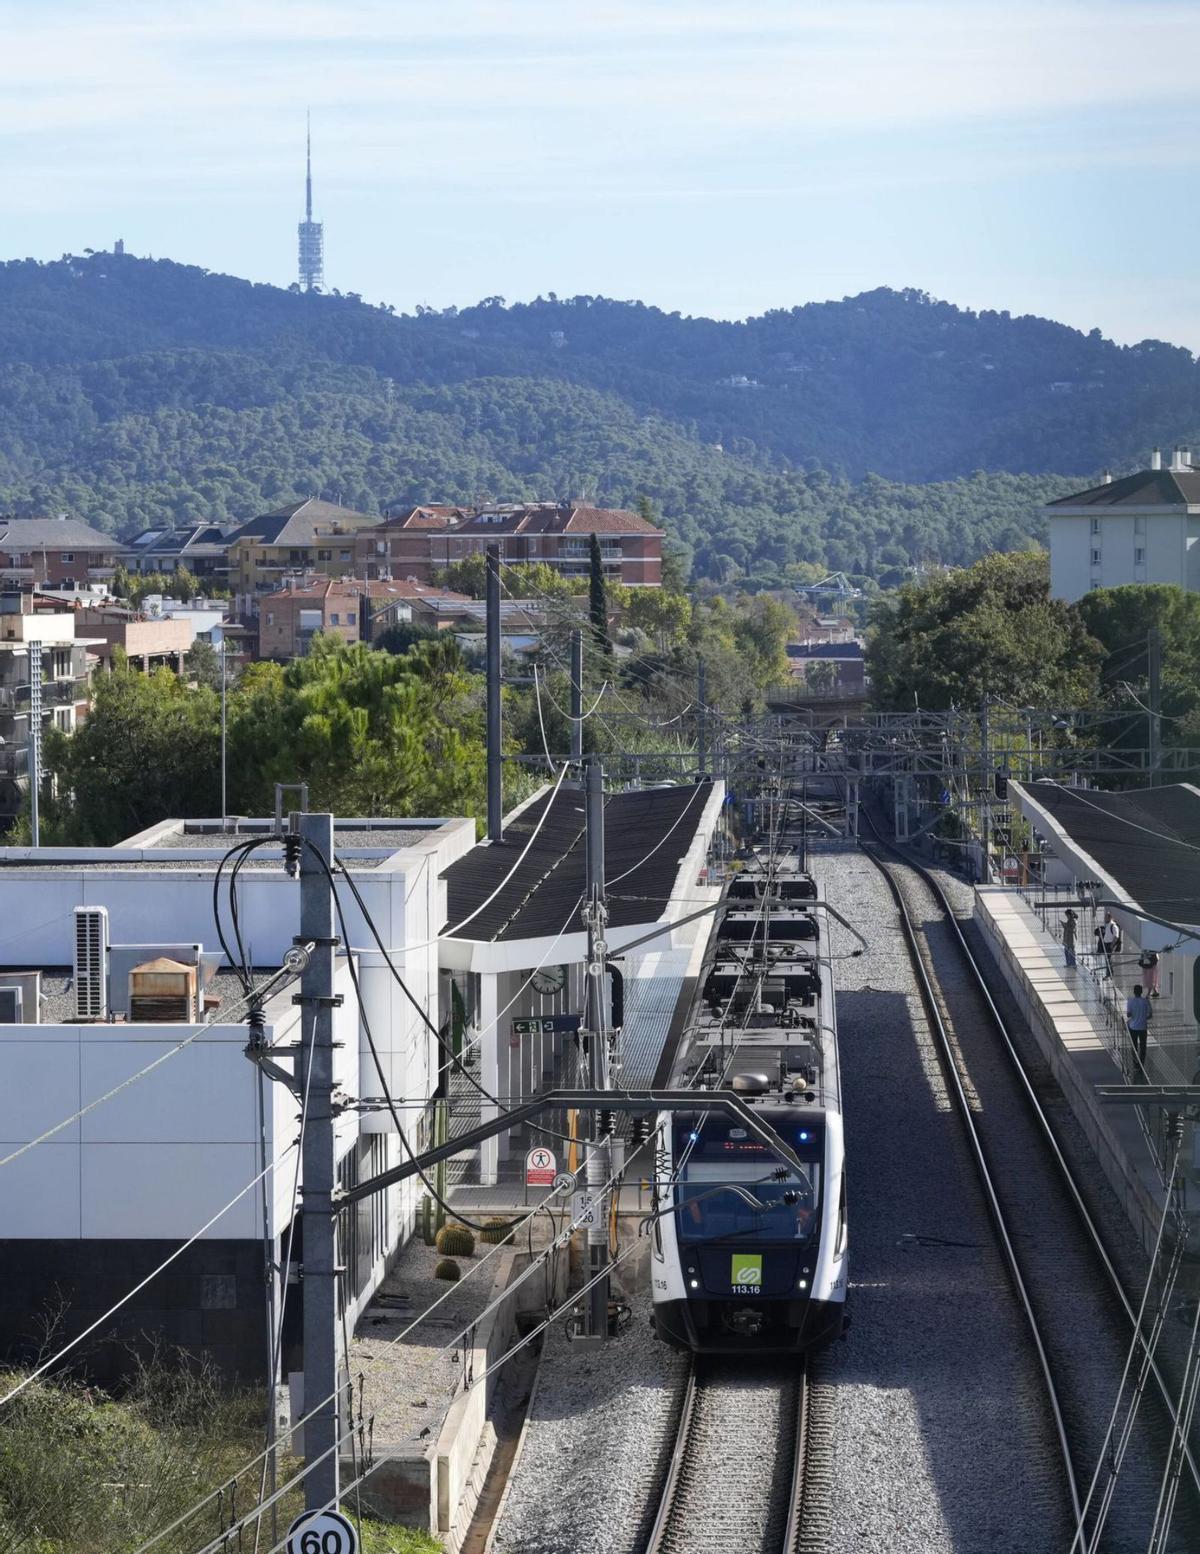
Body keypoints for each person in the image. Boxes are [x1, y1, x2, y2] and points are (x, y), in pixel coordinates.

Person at [1126, 983, 1152, 1069]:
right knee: (1143, 1047)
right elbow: (1150, 1015)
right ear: (1141, 992)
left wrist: (1133, 1015)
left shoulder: (1130, 1001)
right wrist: (1143, 1017)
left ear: (1134, 992)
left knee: (1134, 1047)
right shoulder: (1146, 1001)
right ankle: (1141, 1065)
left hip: (1133, 1027)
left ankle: (1135, 1063)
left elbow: (1128, 1015)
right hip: (1143, 1027)